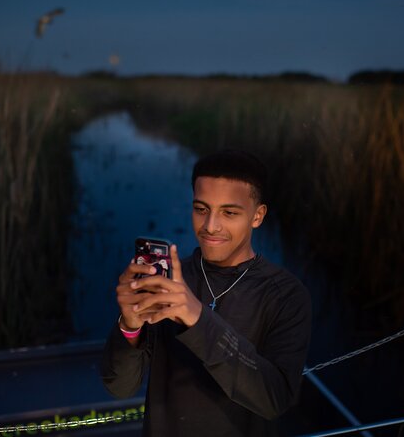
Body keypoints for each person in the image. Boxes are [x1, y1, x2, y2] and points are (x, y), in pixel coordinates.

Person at [100, 149, 312, 436]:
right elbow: (119, 387)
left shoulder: (286, 295)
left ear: (258, 216)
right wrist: (129, 326)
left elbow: (274, 400)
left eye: (229, 212)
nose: (211, 226)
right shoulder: (170, 281)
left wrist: (197, 317)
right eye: (201, 209)